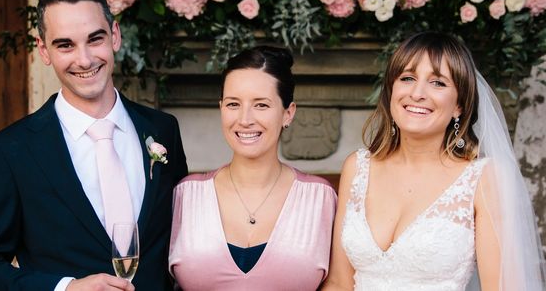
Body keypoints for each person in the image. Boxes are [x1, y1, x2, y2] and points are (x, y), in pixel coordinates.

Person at [0, 0, 188, 290]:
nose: (85, 59)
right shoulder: (10, 151)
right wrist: (65, 288)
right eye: (65, 45)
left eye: (95, 39)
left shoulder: (163, 128)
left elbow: (183, 243)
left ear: (114, 35)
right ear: (43, 50)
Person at [322, 32, 546, 290]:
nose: (417, 93)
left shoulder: (483, 178)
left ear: (459, 105)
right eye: (407, 78)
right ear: (392, 90)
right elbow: (339, 282)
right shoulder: (357, 167)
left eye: (438, 83)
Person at [168, 46, 337, 290]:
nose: (245, 119)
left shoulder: (320, 198)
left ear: (288, 113)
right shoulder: (186, 194)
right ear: (221, 108)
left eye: (261, 105)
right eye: (233, 104)